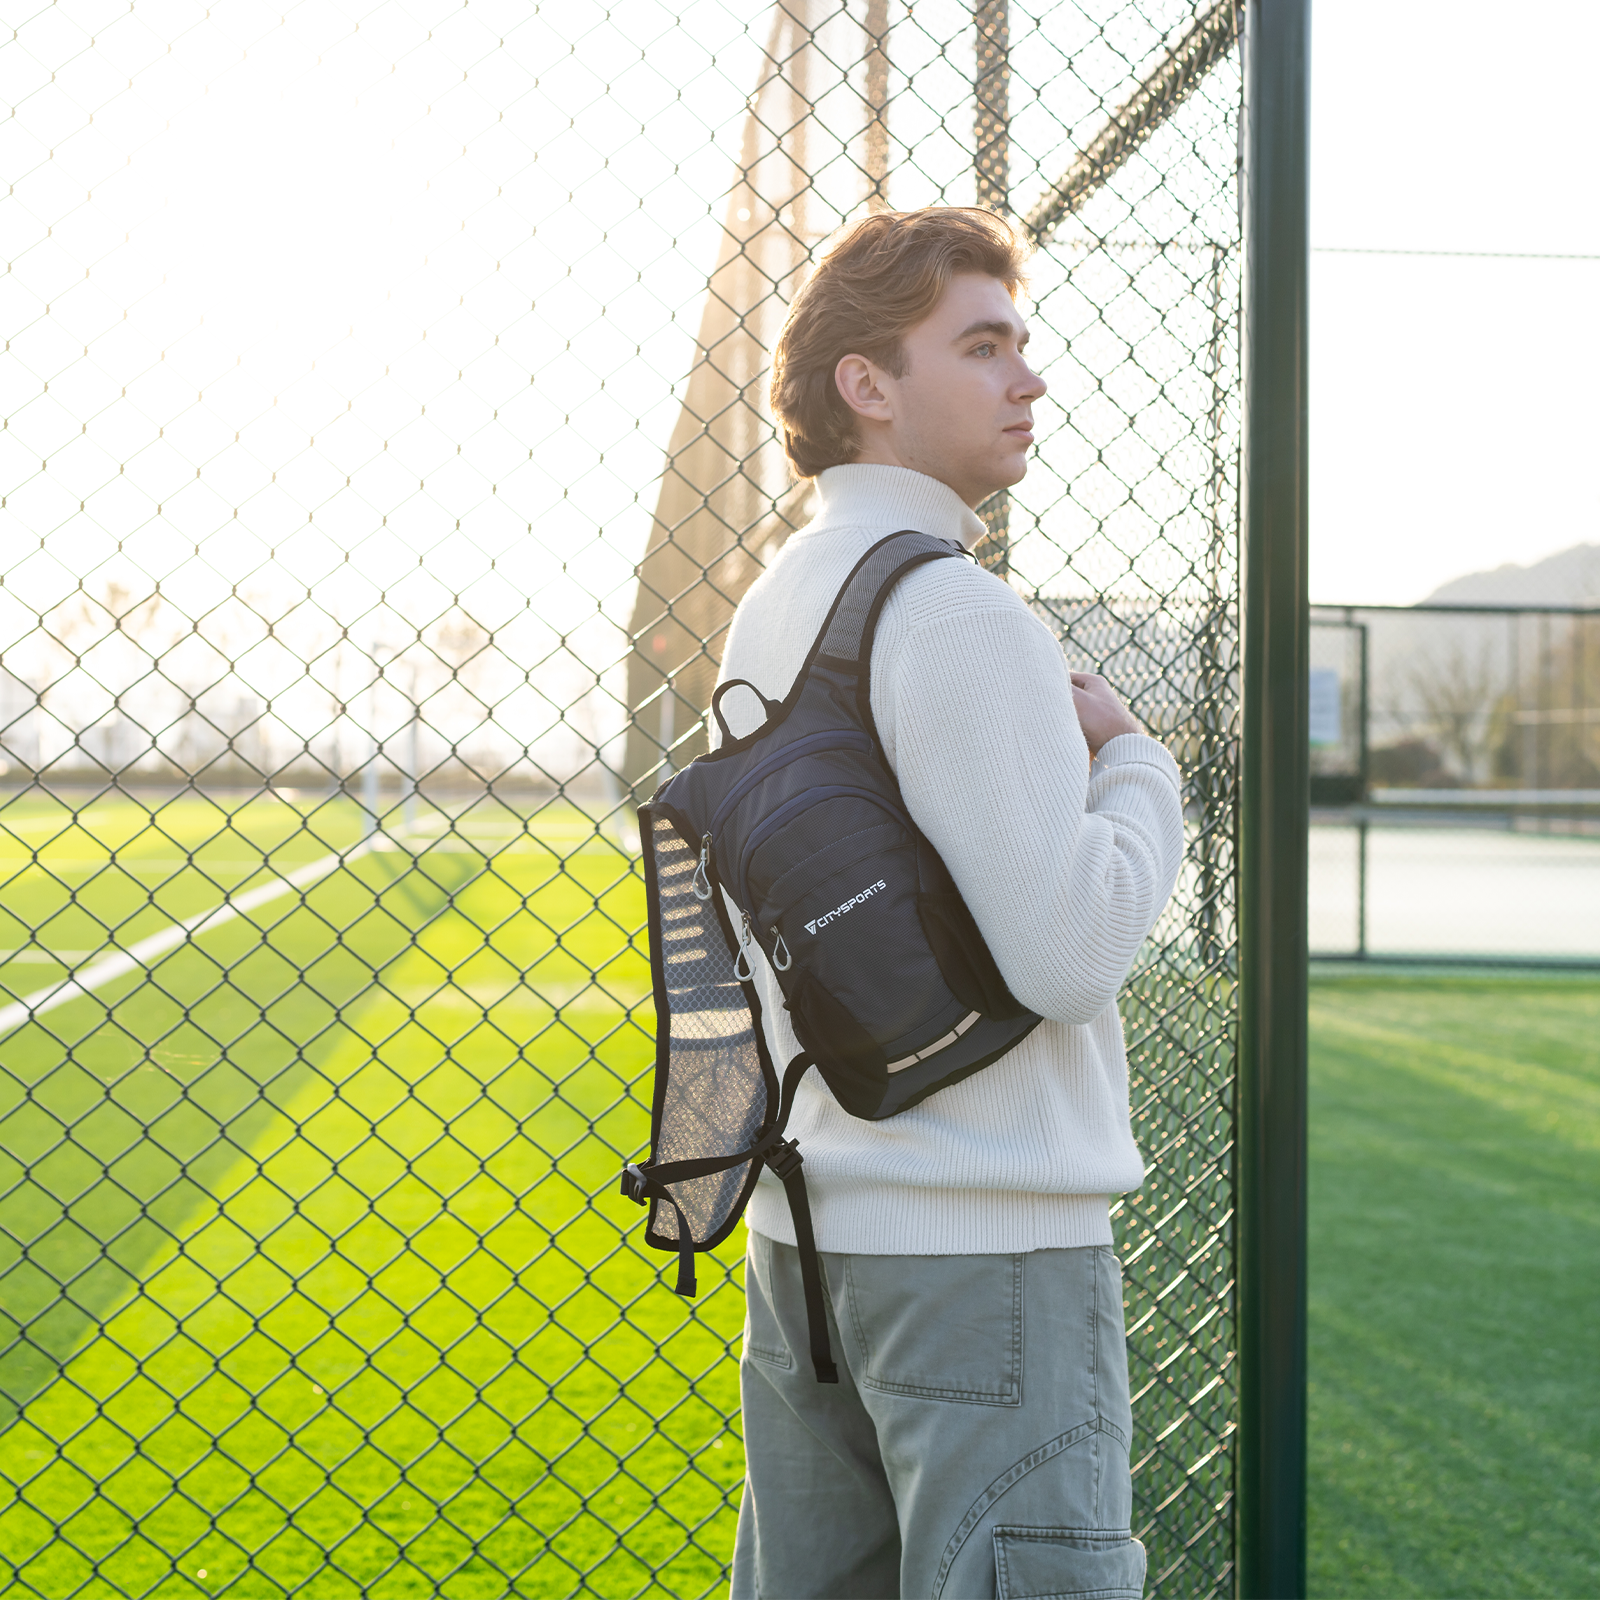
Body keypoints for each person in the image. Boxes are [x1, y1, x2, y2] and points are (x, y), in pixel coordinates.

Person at [717, 207, 1184, 1600]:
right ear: (867, 382)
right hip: (985, 1258)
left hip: (810, 1245)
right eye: (981, 347)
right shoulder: (962, 615)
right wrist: (1137, 763)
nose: (1027, 379)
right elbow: (1070, 954)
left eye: (1020, 344)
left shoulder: (783, 595)